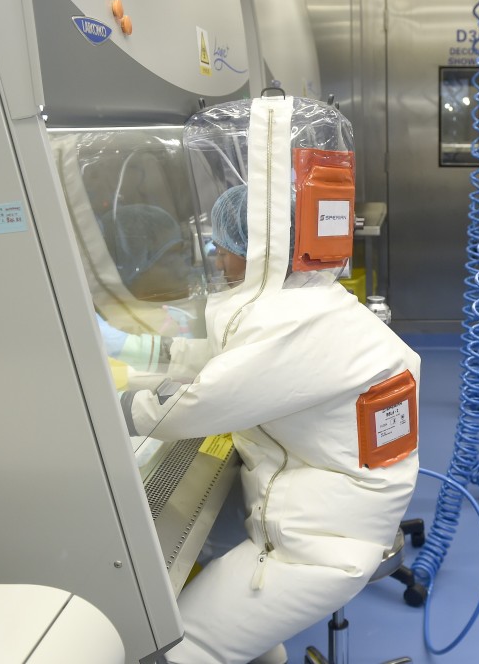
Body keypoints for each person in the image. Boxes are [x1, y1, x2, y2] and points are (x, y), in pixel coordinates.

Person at [115, 184, 421, 663]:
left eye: (226, 244)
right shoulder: (310, 302)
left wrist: (117, 407)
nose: (216, 255)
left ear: (262, 249)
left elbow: (204, 402)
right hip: (334, 518)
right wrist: (149, 351)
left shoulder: (293, 325)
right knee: (248, 637)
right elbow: (237, 358)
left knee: (175, 647)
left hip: (321, 545)